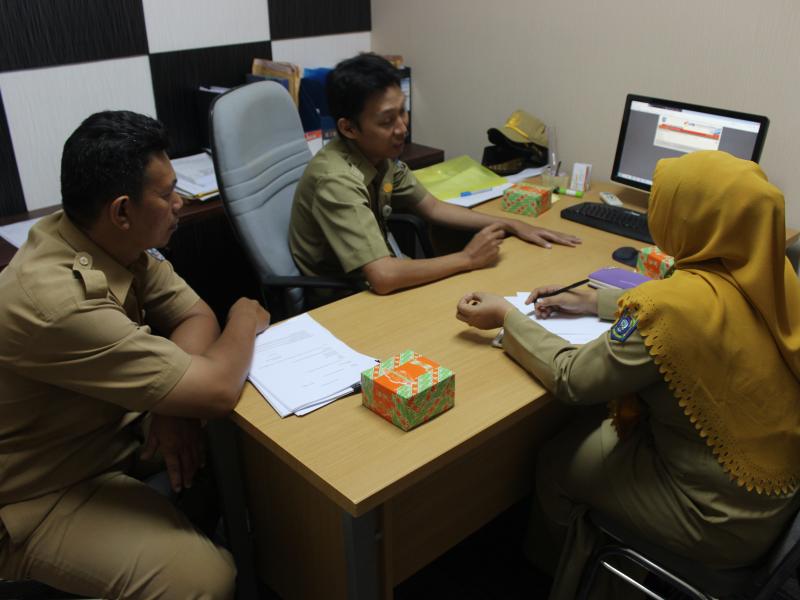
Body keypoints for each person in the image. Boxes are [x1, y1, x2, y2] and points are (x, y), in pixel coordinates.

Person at [455, 150, 800, 598]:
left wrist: (507, 317)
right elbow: (698, 309)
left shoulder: (668, 308)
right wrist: (595, 301)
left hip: (715, 519)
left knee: (556, 460)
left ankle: (557, 577)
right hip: (773, 496)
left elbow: (573, 378)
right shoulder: (772, 275)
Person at [0, 111, 270, 600]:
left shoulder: (109, 240)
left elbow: (194, 315)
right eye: (167, 194)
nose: (179, 203)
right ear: (122, 211)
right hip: (42, 490)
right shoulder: (55, 301)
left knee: (246, 448)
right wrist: (245, 314)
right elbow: (215, 388)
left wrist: (169, 401)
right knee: (206, 581)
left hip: (109, 432)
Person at [289, 53, 581, 300]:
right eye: (387, 121)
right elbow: (383, 276)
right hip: (340, 298)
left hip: (376, 276)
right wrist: (467, 258)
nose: (402, 128)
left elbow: (433, 207)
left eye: (402, 112)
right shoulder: (336, 180)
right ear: (349, 128)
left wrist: (511, 224)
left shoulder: (378, 155)